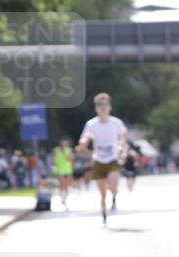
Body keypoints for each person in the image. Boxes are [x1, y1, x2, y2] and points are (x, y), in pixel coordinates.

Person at [76, 92, 128, 225]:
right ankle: (104, 212)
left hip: (112, 159)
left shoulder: (116, 123)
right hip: (98, 160)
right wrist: (83, 143)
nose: (103, 108)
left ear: (109, 107)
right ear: (96, 108)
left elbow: (123, 136)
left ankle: (114, 197)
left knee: (113, 185)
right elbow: (85, 137)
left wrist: (121, 146)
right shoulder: (92, 124)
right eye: (100, 105)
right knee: (102, 192)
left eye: (105, 105)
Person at [52, 138, 74, 208]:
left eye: (65, 143)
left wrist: (66, 155)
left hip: (67, 169)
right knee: (62, 183)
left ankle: (65, 196)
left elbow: (70, 160)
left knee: (66, 184)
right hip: (59, 169)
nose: (64, 144)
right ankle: (62, 195)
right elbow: (53, 159)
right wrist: (54, 166)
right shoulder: (56, 150)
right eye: (63, 143)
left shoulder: (69, 150)